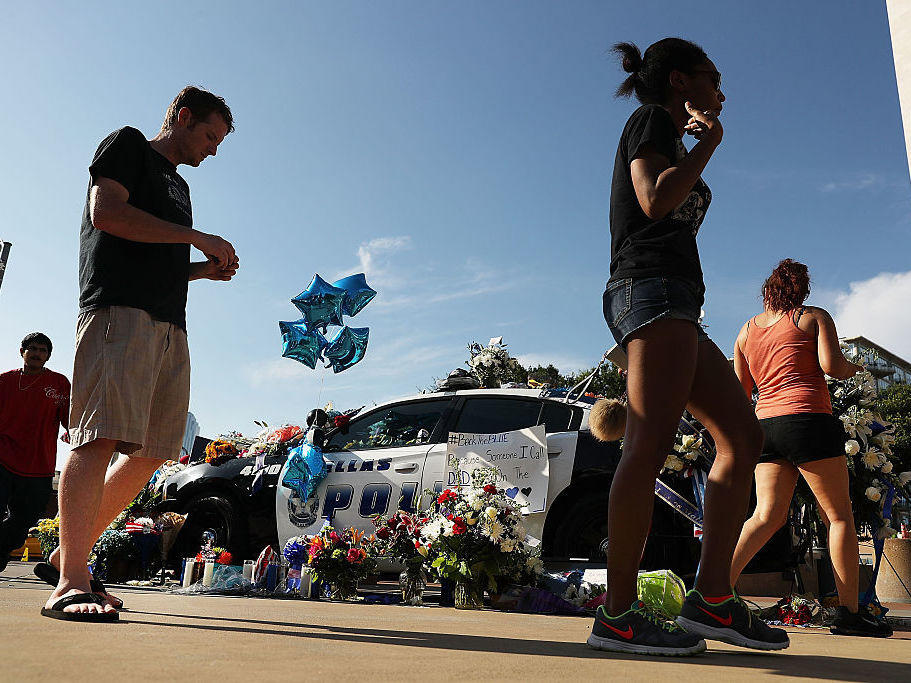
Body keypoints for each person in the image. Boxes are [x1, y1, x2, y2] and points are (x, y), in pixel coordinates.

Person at [587, 38, 789, 656]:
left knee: (744, 437)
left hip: (673, 303)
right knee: (646, 444)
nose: (723, 91)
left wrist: (699, 148)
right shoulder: (651, 121)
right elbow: (654, 199)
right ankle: (616, 617)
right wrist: (708, 145)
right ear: (680, 81)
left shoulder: (671, 137)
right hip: (648, 294)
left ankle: (712, 599)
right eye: (713, 78)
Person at [41, 86, 238, 622]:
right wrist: (196, 237)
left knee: (153, 451)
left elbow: (161, 256)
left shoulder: (180, 188)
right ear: (181, 116)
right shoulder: (129, 144)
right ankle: (69, 583)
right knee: (99, 435)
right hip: (118, 313)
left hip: (171, 325)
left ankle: (69, 554)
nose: (212, 150)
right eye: (208, 135)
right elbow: (107, 213)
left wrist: (201, 268)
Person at [729, 259, 892, 637]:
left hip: (765, 426)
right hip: (808, 421)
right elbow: (830, 365)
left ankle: (714, 590)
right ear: (801, 289)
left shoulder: (745, 331)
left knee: (765, 516)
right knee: (837, 517)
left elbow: (741, 393)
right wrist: (857, 369)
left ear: (768, 290)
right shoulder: (813, 317)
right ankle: (850, 612)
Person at [0, 333, 70, 572]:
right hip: (3, 457)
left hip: (39, 464)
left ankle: (1, 550)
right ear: (22, 351)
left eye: (42, 350)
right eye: (32, 348)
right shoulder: (4, 381)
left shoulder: (59, 383)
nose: (37, 353)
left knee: (26, 520)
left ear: (48, 355)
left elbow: (69, 417)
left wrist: (73, 431)